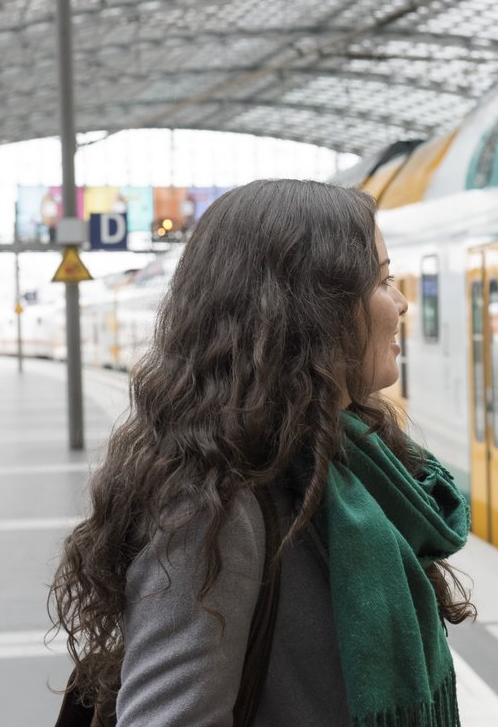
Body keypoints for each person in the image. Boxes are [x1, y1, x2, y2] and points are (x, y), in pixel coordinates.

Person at [50, 179, 473, 727]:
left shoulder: (353, 458)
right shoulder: (215, 505)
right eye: (382, 280)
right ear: (310, 310)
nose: (401, 302)